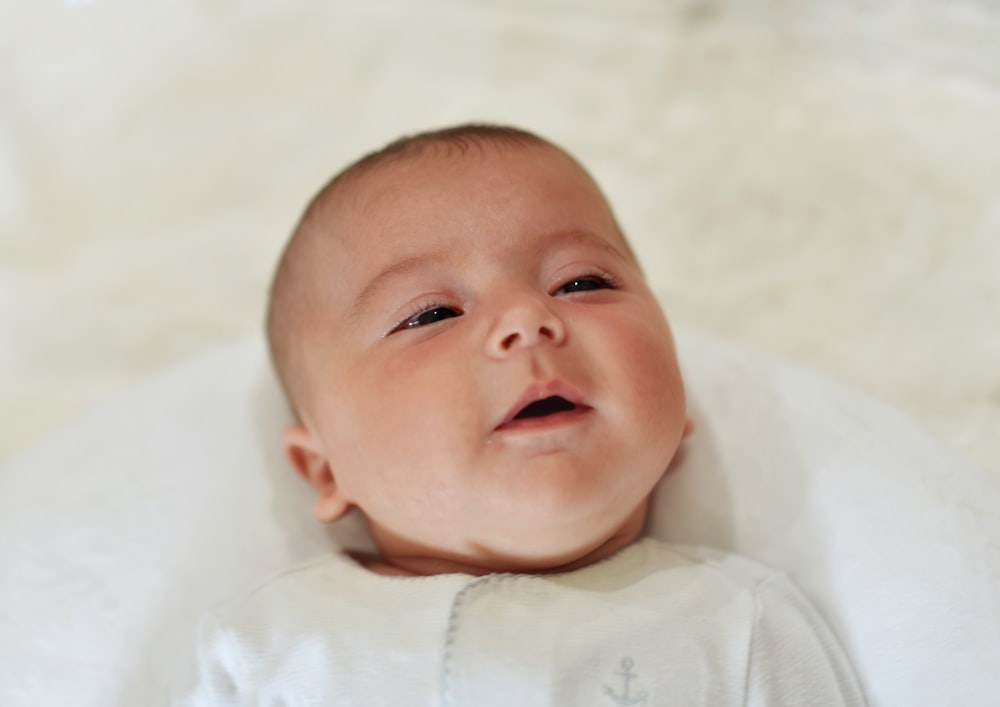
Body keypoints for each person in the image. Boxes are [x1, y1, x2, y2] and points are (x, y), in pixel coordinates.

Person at [181, 124, 867, 705]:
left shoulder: (742, 623)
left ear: (680, 398)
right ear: (325, 466)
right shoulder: (274, 642)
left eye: (581, 282)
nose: (527, 320)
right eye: (432, 313)